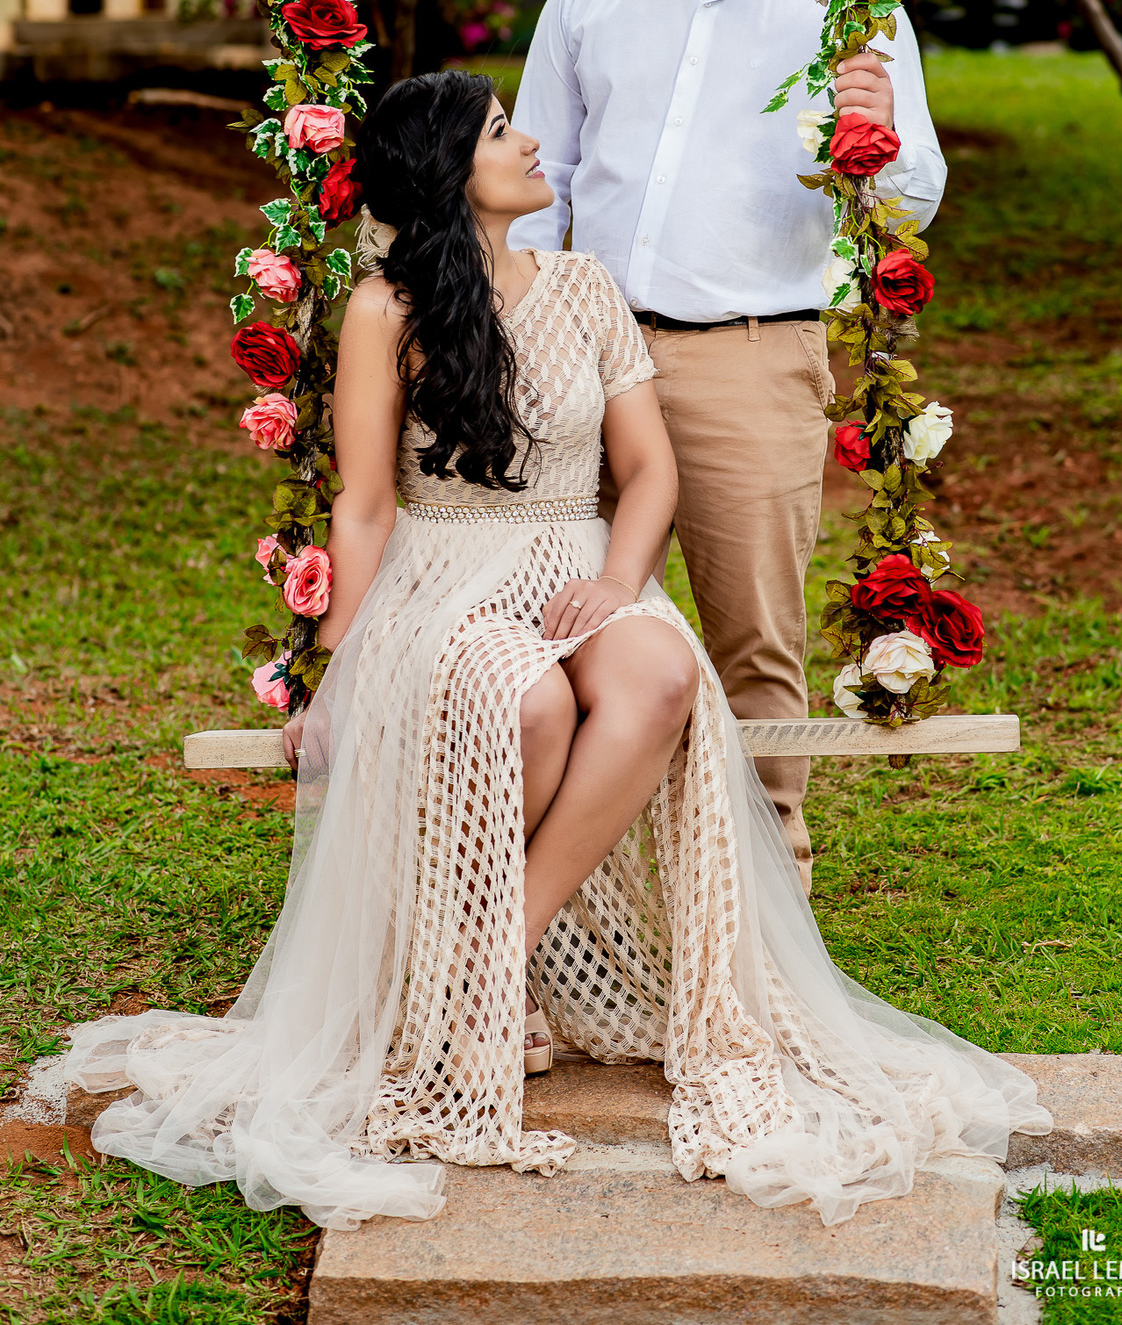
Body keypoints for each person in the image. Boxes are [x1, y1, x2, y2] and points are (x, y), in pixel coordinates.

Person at [63, 70, 1049, 1233]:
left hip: (580, 557)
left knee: (660, 674)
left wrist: (619, 583)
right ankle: (492, 977)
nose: (530, 141)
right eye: (499, 131)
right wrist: (334, 670)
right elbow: (366, 505)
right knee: (525, 701)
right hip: (446, 577)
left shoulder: (584, 287)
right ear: (449, 172)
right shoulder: (386, 310)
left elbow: (650, 471)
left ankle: (491, 957)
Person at [510, 0, 947, 892]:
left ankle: (765, 888)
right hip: (588, 352)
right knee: (558, 617)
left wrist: (877, 130)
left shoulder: (845, 3)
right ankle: (584, 892)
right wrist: (527, 337)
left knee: (754, 636)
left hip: (750, 357)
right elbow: (538, 185)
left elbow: (915, 201)